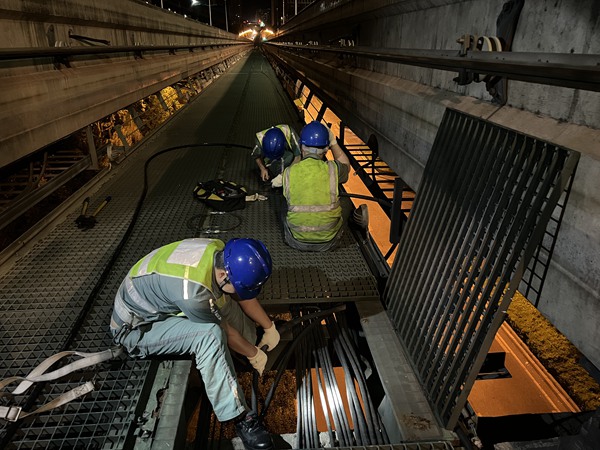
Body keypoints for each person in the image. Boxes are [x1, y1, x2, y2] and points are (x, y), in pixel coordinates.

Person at [110, 237, 280, 450]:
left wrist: (268, 327)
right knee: (209, 335)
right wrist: (253, 353)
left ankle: (247, 345)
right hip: (137, 329)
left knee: (225, 302)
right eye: (238, 287)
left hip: (160, 299)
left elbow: (238, 296)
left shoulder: (219, 251)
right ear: (223, 274)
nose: (239, 292)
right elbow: (225, 332)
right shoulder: (194, 294)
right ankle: (239, 416)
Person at [281, 121, 352, 252]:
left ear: (302, 147)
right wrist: (334, 143)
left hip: (295, 240)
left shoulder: (288, 172)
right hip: (328, 242)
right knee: (346, 202)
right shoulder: (333, 169)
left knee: (285, 203)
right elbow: (347, 167)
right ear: (326, 149)